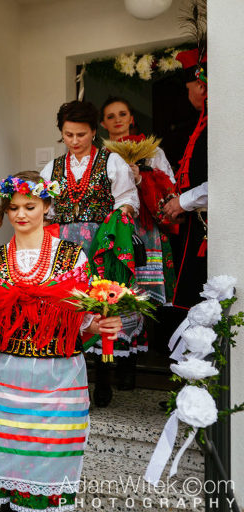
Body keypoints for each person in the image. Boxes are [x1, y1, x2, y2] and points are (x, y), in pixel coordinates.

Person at [0, 171, 122, 512]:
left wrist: (103, 324)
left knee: (51, 461)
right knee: (8, 462)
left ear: (46, 206)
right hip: (8, 377)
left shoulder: (73, 256)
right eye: (13, 208)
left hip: (59, 376)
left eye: (30, 206)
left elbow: (83, 316)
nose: (21, 214)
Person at [41, 100, 140, 408]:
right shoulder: (52, 168)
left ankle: (104, 376)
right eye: (68, 134)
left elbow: (127, 198)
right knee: (68, 306)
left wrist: (120, 215)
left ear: (94, 131)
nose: (74, 141)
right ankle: (71, 376)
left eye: (81, 134)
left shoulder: (112, 161)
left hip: (100, 244)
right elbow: (46, 210)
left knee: (102, 306)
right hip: (65, 247)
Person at [99, 96, 177, 386]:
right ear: (103, 124)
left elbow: (170, 189)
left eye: (122, 114)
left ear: (132, 118)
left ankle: (132, 365)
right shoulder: (100, 155)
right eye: (110, 116)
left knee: (140, 297)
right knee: (112, 295)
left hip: (145, 232)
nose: (117, 120)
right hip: (113, 231)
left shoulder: (152, 151)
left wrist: (142, 177)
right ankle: (108, 367)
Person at [162, 48, 208, 312]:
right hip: (195, 223)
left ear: (200, 86)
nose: (188, 95)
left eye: (188, 88)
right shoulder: (203, 123)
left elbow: (226, 182)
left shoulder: (217, 125)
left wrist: (183, 201)